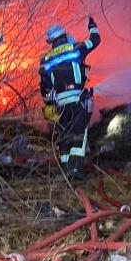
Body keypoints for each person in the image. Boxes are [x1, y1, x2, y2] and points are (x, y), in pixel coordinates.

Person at [39, 16, 101, 181]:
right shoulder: (76, 49)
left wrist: (50, 104)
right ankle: (76, 171)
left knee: (64, 137)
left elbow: (45, 89)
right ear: (63, 36)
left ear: (51, 41)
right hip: (76, 101)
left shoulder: (45, 61)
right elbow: (95, 40)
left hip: (60, 106)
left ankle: (65, 170)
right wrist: (92, 25)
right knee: (79, 135)